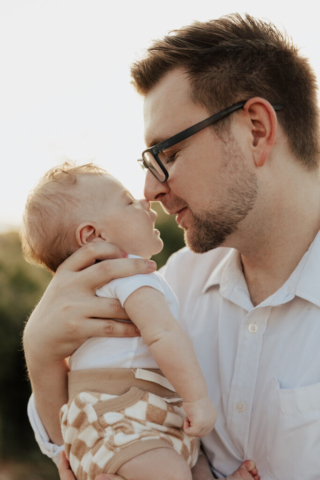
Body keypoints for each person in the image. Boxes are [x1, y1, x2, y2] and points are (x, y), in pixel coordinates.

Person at [23, 13, 320, 480]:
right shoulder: (175, 280)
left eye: (171, 153)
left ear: (256, 130)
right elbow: (77, 440)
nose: (148, 189)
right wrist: (40, 354)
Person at [21, 162, 218, 479]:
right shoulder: (129, 276)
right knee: (175, 473)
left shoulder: (91, 298)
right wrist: (197, 398)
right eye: (128, 201)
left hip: (137, 420)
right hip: (123, 413)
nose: (145, 201)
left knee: (198, 466)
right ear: (93, 235)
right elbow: (162, 333)